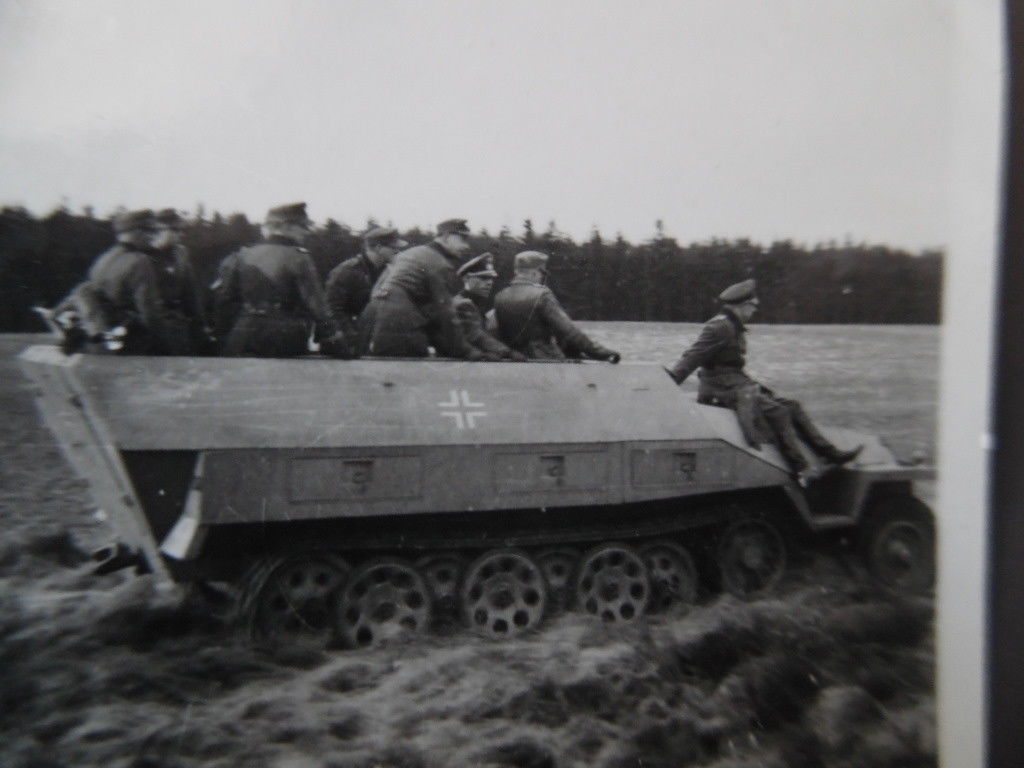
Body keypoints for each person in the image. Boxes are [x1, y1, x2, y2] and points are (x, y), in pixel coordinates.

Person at [666, 278, 862, 485]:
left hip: (736, 384)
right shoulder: (720, 327)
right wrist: (671, 381)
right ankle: (801, 469)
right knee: (779, 412)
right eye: (752, 307)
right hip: (721, 389)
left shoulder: (733, 325)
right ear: (742, 306)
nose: (754, 312)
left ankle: (829, 453)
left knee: (793, 407)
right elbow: (693, 356)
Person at [212, 202, 344, 358]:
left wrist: (222, 335)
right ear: (286, 227)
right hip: (284, 335)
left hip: (243, 332)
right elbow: (317, 306)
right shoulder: (299, 258)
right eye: (301, 227)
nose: (305, 232)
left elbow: (224, 301)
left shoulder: (243, 255)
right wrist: (336, 339)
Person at [366, 218, 478, 358]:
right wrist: (467, 351)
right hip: (402, 326)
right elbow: (446, 314)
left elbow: (378, 290)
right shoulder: (439, 263)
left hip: (373, 322)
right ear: (447, 236)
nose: (466, 246)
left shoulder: (410, 254)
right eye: (463, 239)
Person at [84, 208, 188, 355]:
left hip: (103, 342)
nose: (153, 237)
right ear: (138, 232)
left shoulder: (104, 259)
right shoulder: (140, 262)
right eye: (151, 231)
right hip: (131, 345)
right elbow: (151, 314)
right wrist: (168, 348)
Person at [493, 250, 621, 363]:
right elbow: (568, 331)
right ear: (534, 273)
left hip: (514, 360)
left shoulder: (500, 296)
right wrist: (600, 352)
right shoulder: (542, 295)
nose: (541, 278)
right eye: (541, 273)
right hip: (545, 360)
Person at [325, 225, 408, 357]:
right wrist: (351, 337)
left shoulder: (387, 271)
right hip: (345, 343)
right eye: (394, 248)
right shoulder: (347, 271)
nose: (399, 252)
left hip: (367, 338)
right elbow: (332, 309)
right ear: (378, 248)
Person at [151, 208, 213, 354]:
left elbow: (190, 292)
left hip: (176, 324)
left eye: (181, 229)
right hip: (150, 325)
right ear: (159, 228)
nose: (180, 234)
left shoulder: (181, 253)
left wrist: (201, 324)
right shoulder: (143, 255)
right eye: (176, 229)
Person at [453, 253, 526, 361]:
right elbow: (476, 336)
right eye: (484, 278)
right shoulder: (463, 304)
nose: (489, 283)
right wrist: (508, 352)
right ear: (467, 278)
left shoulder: (473, 303)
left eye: (491, 279)